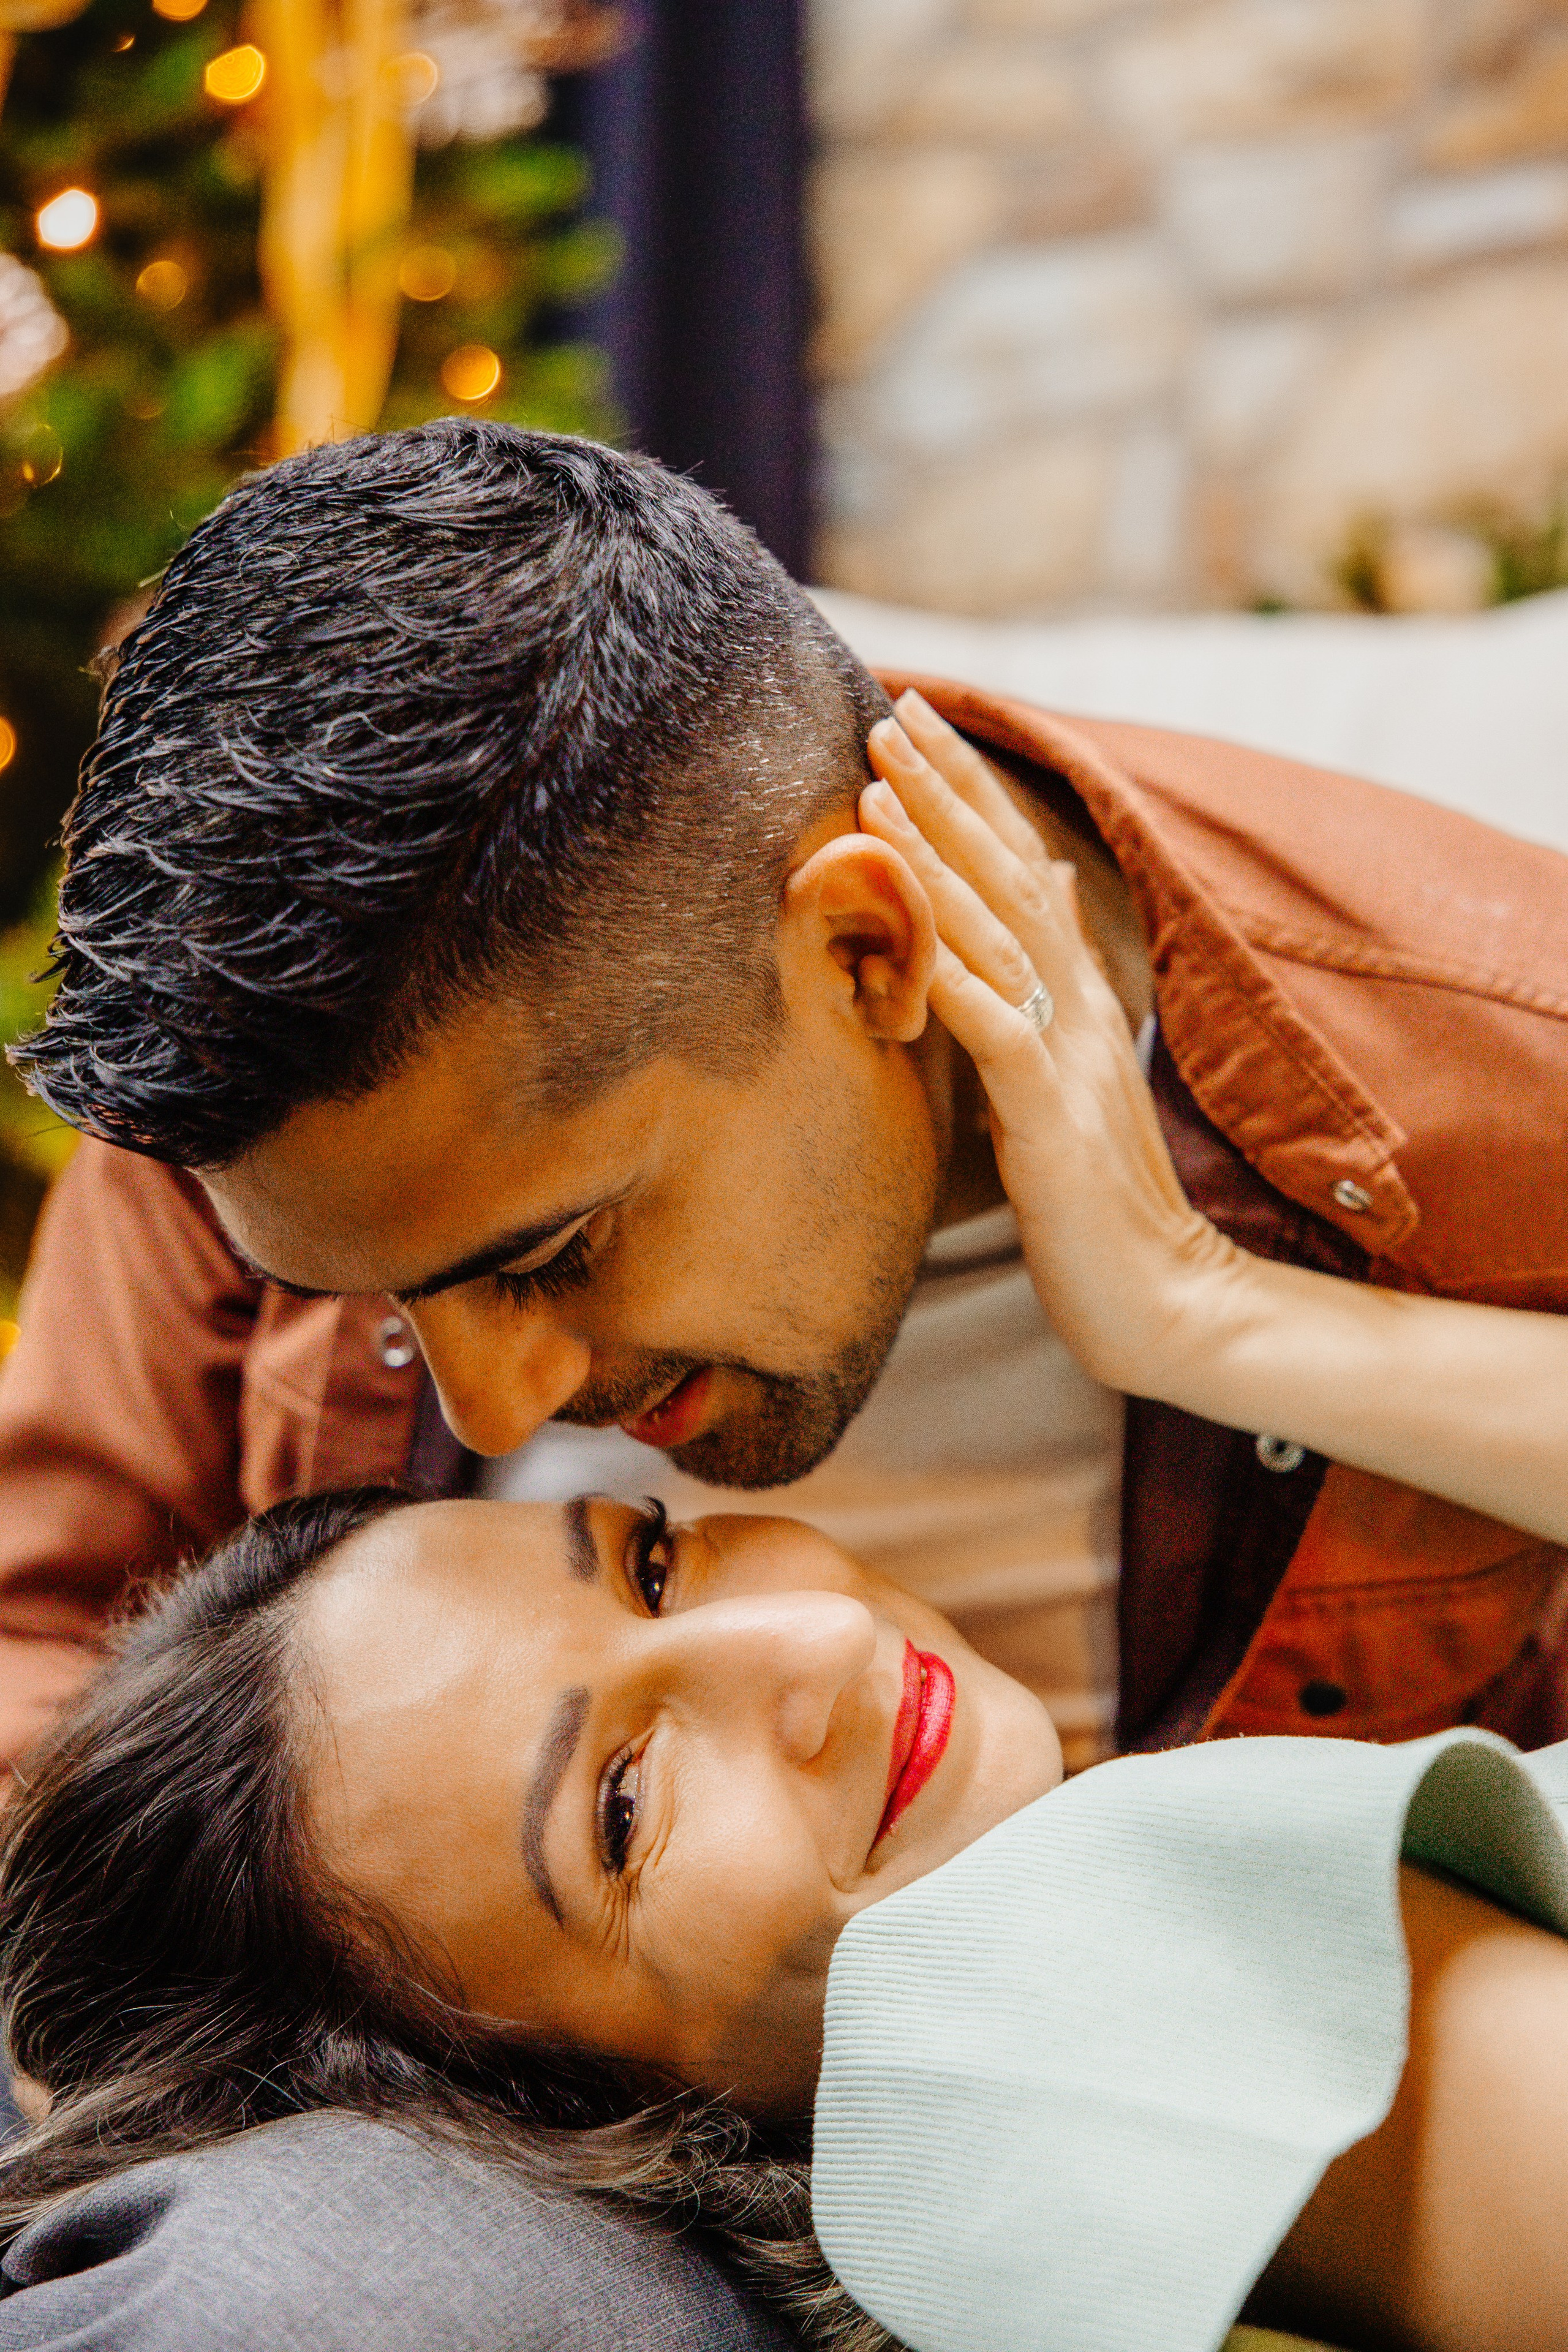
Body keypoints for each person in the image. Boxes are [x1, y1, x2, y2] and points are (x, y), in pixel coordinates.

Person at [4, 420, 1568, 1795]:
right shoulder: (288, 1050)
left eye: (547, 1255)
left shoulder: (1484, 1079)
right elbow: (39, 1652)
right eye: (375, 1298)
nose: (485, 1412)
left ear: (863, 952)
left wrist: (1203, 1313)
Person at [5, 1479, 1568, 2352]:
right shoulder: (1047, 1978)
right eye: (622, 1806)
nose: (816, 1632)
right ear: (558, 2112)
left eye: (655, 1560)